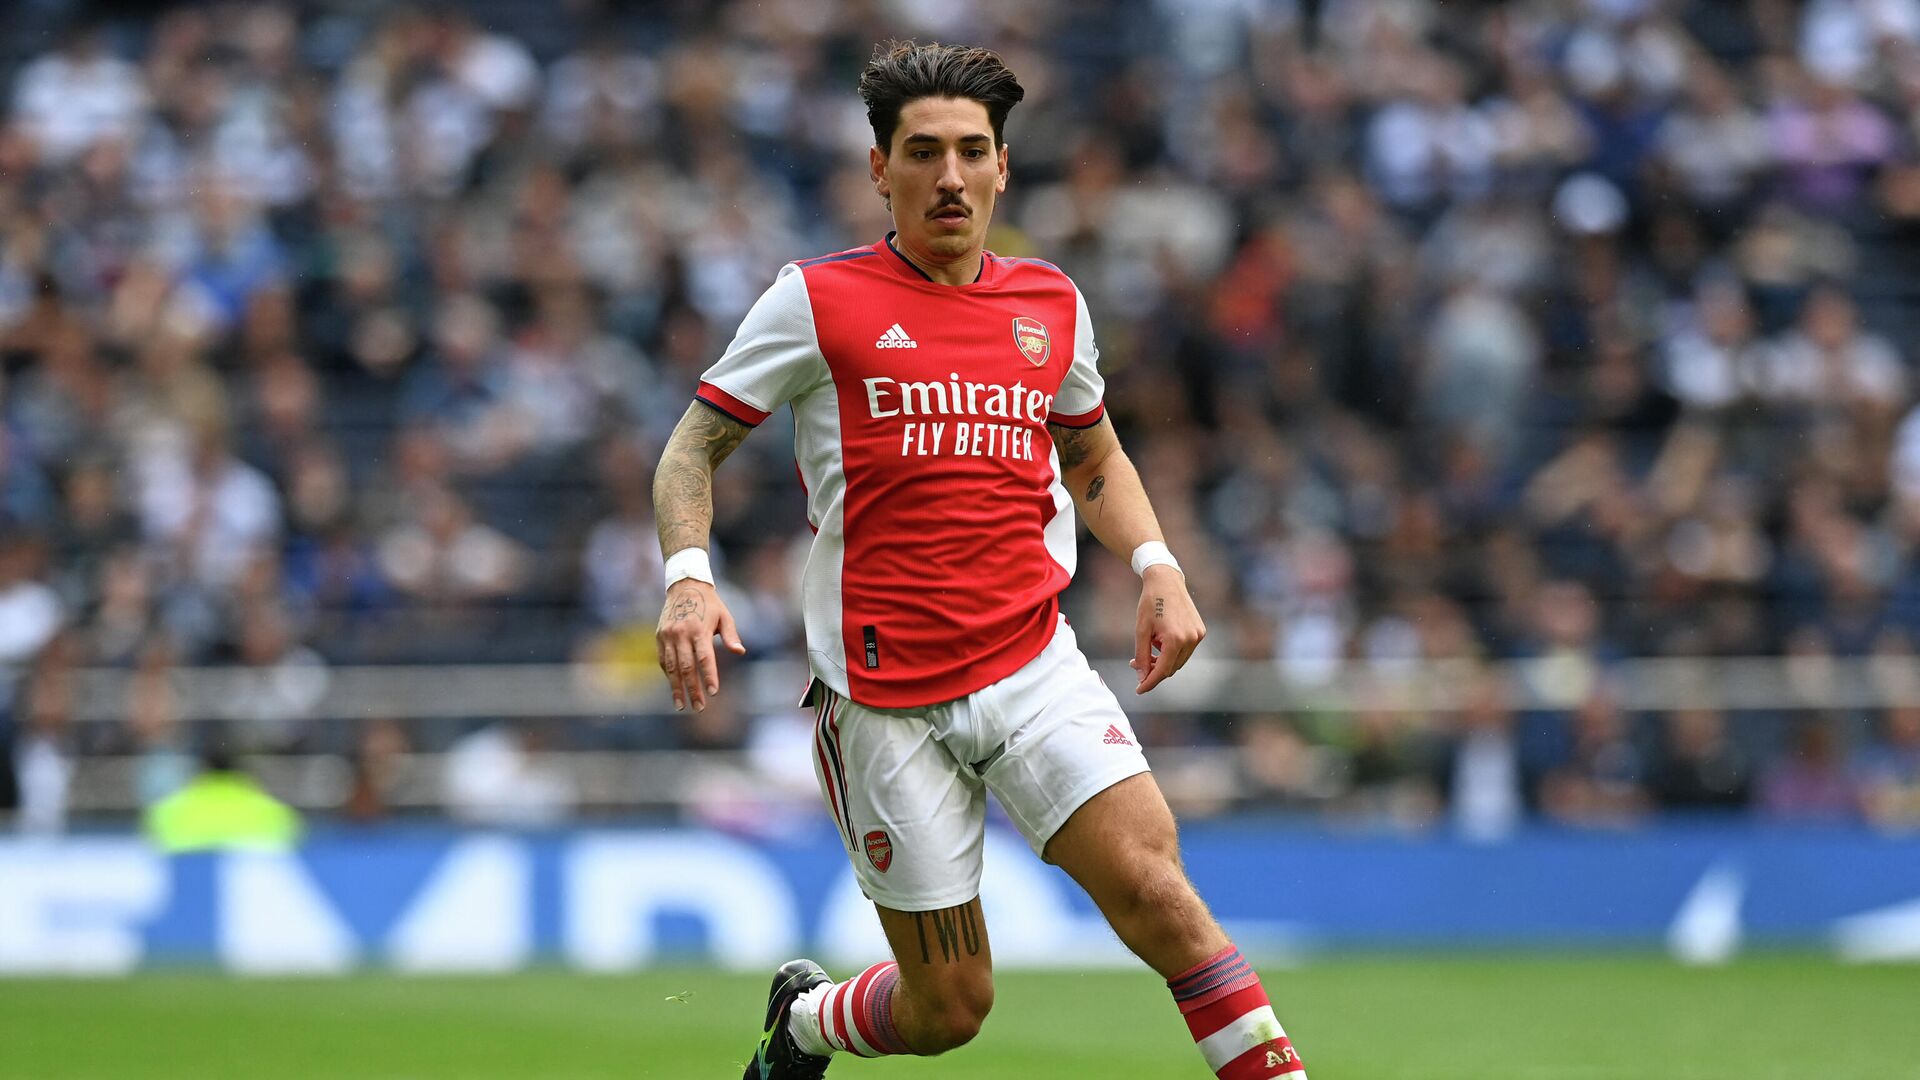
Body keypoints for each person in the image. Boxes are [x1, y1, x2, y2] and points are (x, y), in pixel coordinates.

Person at [653, 41, 1307, 1080]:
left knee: (1161, 898)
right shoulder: (816, 302)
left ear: (1004, 166)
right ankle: (809, 1021)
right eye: (922, 153)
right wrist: (689, 576)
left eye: (971, 152)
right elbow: (693, 445)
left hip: (1033, 664)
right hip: (880, 696)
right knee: (951, 1009)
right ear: (880, 170)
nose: (948, 176)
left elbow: (1092, 451)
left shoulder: (1052, 305)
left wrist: (1156, 562)